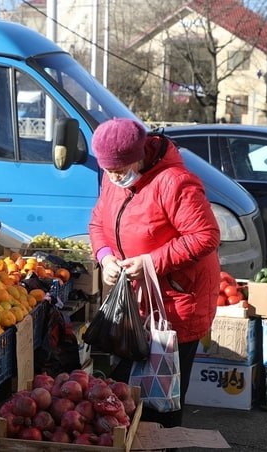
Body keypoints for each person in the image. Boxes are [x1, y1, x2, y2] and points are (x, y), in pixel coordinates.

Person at [87, 118, 221, 429]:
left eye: (119, 169)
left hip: (178, 301)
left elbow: (206, 236)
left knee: (163, 397)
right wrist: (105, 257)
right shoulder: (112, 180)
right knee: (128, 390)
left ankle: (163, 441)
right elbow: (97, 224)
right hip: (137, 301)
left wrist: (150, 262)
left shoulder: (174, 182)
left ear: (138, 156)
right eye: (108, 170)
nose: (114, 177)